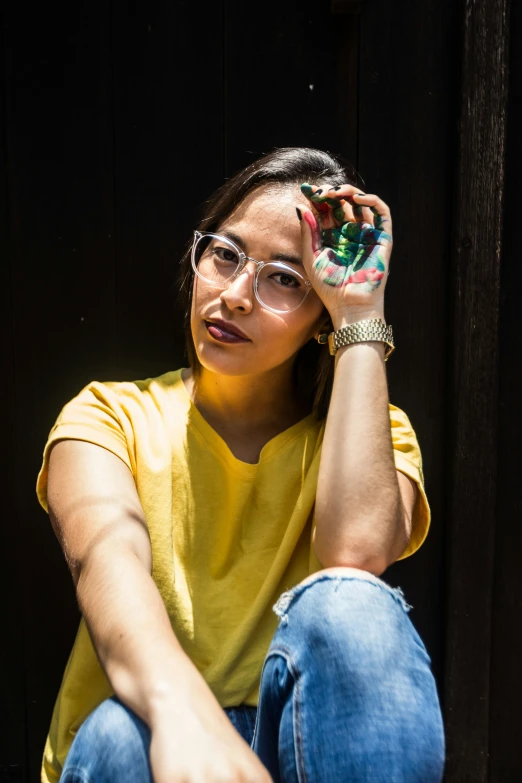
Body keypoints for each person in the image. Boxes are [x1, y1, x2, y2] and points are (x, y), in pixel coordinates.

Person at [36, 146, 445, 782]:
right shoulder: (108, 416)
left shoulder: (367, 434)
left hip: (302, 752)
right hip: (149, 748)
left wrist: (359, 315)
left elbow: (357, 554)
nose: (235, 296)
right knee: (121, 733)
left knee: (355, 605)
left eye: (285, 278)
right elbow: (106, 567)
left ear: (319, 315)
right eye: (224, 255)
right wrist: (181, 719)